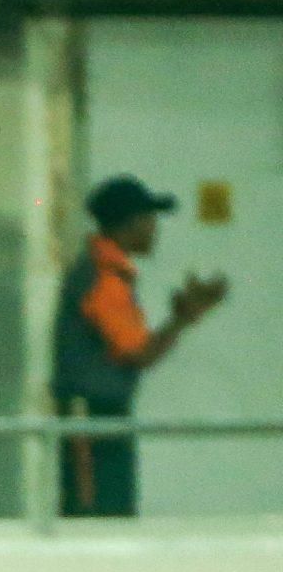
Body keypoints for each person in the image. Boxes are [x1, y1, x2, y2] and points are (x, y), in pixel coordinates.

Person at [52, 174, 231, 518]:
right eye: (150, 220)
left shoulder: (106, 271)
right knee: (97, 517)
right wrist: (183, 317)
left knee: (107, 511)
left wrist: (183, 317)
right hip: (92, 418)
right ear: (130, 223)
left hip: (97, 415)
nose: (154, 229)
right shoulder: (104, 278)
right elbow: (140, 353)